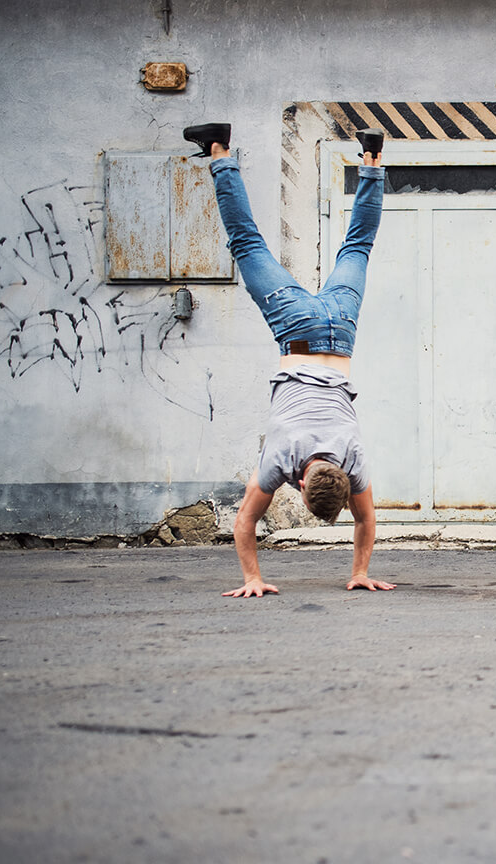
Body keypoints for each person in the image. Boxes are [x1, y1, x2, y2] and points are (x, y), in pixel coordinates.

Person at [184, 122, 395, 598]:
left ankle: (372, 159)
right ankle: (219, 150)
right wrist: (253, 579)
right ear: (300, 486)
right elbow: (245, 520)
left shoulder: (353, 458)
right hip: (296, 329)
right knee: (246, 242)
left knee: (358, 245)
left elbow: (366, 520)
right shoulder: (282, 455)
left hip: (340, 329)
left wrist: (361, 571)